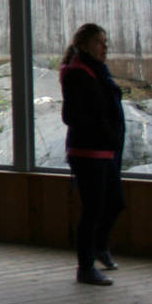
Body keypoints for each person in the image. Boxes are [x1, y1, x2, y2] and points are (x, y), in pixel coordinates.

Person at [59, 22, 126, 286]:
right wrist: (104, 130)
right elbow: (74, 115)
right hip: (88, 151)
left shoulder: (95, 70)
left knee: (115, 202)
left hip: (104, 149)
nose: (105, 47)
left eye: (106, 42)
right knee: (93, 209)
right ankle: (85, 267)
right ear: (87, 44)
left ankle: (99, 247)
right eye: (101, 42)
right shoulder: (77, 73)